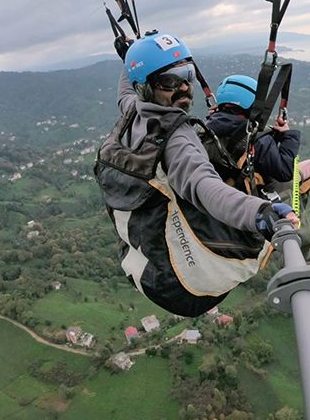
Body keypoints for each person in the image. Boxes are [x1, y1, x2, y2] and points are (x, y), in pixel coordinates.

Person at [94, 32, 296, 317]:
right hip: (190, 289)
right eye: (170, 81)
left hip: (150, 273)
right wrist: (261, 214)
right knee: (279, 189)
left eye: (187, 75)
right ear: (145, 88)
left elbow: (125, 93)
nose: (185, 88)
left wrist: (129, 57)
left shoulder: (132, 113)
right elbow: (205, 187)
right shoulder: (177, 141)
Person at [205, 74, 310, 230]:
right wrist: (287, 137)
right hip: (258, 190)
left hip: (229, 193)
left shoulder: (209, 128)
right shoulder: (255, 136)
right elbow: (285, 171)